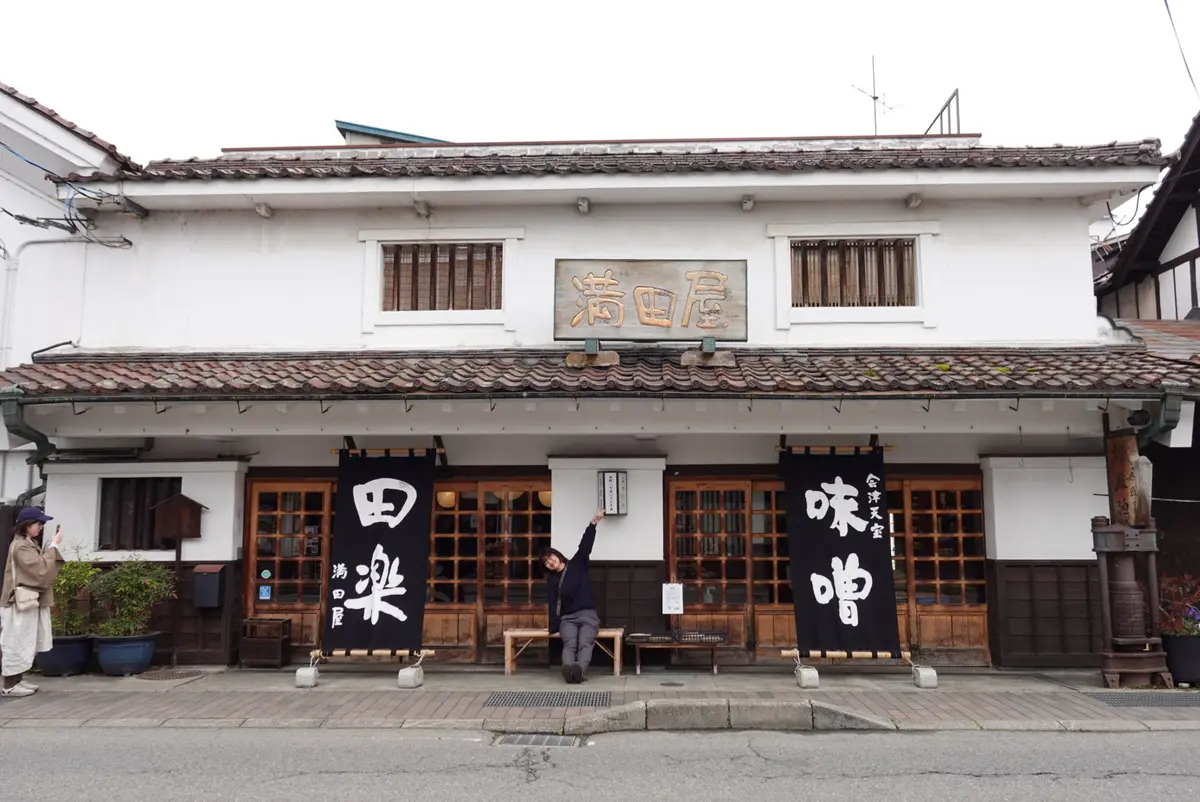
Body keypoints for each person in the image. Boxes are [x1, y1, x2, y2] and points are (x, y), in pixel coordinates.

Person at [1, 507, 63, 697]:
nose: (41, 527)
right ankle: (9, 685)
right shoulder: (21, 546)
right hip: (18, 603)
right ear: (26, 525)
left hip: (25, 602)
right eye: (38, 523)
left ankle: (17, 680)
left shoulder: (27, 543)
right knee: (15, 641)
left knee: (24, 640)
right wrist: (53, 546)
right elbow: (39, 571)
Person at [542, 509, 605, 684]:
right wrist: (554, 625)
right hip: (568, 618)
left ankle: (579, 671)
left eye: (550, 557)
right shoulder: (552, 580)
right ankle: (568, 670)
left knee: (585, 642)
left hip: (588, 615)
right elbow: (553, 603)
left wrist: (593, 524)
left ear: (557, 555)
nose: (550, 562)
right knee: (569, 644)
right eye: (546, 562)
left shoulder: (578, 563)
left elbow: (585, 545)